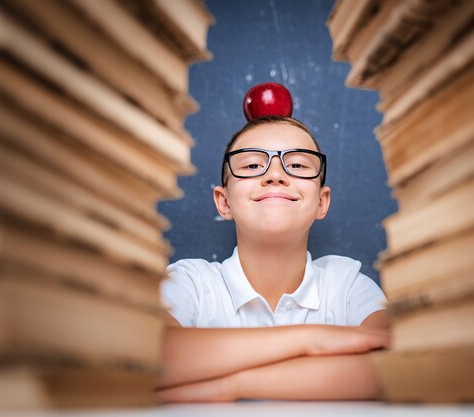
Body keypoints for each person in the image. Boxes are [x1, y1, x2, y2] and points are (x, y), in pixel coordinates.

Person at [157, 115, 391, 402]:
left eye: (297, 165)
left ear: (321, 201)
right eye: (253, 165)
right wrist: (311, 340)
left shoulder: (347, 283)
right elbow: (150, 353)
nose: (275, 175)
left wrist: (234, 385)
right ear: (224, 201)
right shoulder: (190, 282)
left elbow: (394, 363)